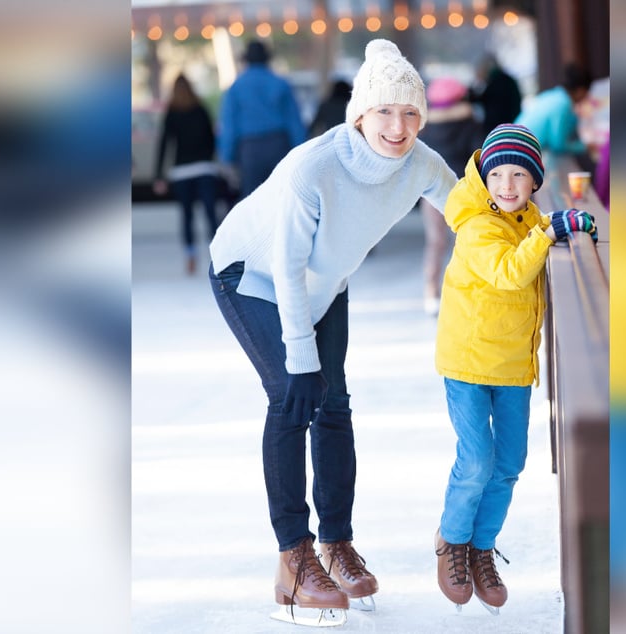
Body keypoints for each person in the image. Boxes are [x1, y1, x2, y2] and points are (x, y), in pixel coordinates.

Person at [208, 39, 458, 623]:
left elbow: (470, 211)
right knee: (293, 398)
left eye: (411, 112)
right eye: (385, 112)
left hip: (327, 282)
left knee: (336, 406)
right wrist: (300, 356)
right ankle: (292, 562)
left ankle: (336, 543)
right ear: (360, 114)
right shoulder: (311, 169)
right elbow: (288, 265)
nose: (398, 127)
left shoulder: (419, 161)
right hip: (253, 274)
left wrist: (535, 225)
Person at [432, 124, 597, 612]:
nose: (507, 184)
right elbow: (508, 273)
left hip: (512, 364)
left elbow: (544, 238)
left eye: (519, 175)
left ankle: (482, 548)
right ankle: (452, 541)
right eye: (498, 173)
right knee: (478, 458)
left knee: (508, 466)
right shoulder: (478, 225)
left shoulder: (528, 218)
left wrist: (569, 226)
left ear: (534, 183)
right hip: (468, 359)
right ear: (484, 178)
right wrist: (550, 231)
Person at [417, 77, 481, 315]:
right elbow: (479, 156)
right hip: (464, 191)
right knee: (466, 241)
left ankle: (431, 293)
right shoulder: (471, 122)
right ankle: (468, 292)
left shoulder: (425, 128)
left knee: (435, 242)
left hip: (431, 191)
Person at [217, 40, 307, 200]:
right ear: (267, 59)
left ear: (246, 60)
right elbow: (294, 122)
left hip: (250, 149)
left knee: (252, 199)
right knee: (282, 195)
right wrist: (301, 150)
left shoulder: (236, 87)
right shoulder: (281, 84)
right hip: (279, 145)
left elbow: (230, 125)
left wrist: (227, 157)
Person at [153, 73, 220, 275]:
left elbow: (165, 143)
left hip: (181, 170)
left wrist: (159, 175)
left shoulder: (171, 112)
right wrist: (209, 158)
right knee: (210, 213)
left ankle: (190, 256)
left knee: (187, 215)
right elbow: (211, 137)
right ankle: (217, 255)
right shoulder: (200, 109)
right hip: (204, 168)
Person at [515, 62, 597, 165]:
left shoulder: (555, 95)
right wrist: (584, 146)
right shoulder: (563, 104)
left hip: (517, 146)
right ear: (581, 90)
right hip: (524, 153)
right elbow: (558, 145)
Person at [469, 55, 523, 137]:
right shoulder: (508, 80)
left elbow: (480, 98)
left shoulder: (494, 82)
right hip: (512, 124)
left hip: (496, 127)